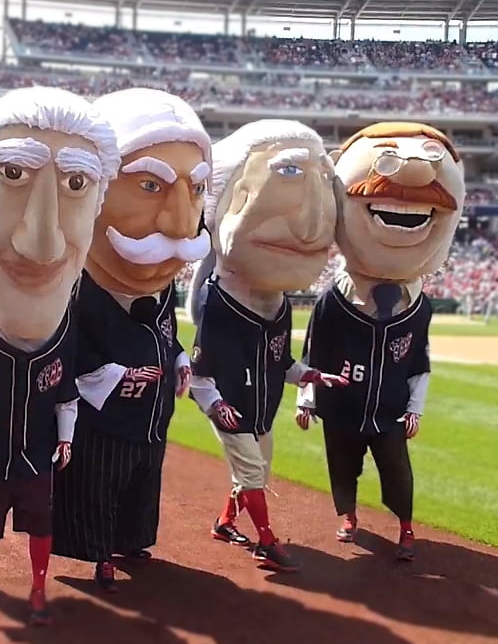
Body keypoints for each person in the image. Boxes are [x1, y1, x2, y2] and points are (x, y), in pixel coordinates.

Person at [0, 86, 120, 624]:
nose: (43, 242)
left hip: (37, 448)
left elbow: (65, 390)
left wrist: (66, 436)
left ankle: (39, 585)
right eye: (13, 175)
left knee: (41, 520)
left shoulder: (65, 319)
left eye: (76, 183)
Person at [52, 88, 210, 592]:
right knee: (97, 484)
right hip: (103, 417)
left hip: (151, 413)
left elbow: (168, 333)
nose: (184, 222)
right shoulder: (75, 290)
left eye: (198, 190)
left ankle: (132, 537)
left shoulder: (161, 290)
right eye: (148, 184)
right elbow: (69, 353)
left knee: (143, 478)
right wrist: (121, 376)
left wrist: (179, 358)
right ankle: (96, 554)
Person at [296, 122, 465, 561]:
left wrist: (415, 406)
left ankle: (406, 527)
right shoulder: (334, 299)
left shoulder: (418, 305)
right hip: (342, 403)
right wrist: (306, 400)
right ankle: (347, 516)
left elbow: (419, 361)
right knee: (342, 466)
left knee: (398, 472)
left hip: (388, 408)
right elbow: (314, 350)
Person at [187, 120, 348, 573]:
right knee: (253, 473)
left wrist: (311, 376)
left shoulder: (280, 306)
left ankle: (224, 523)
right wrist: (216, 407)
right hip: (233, 408)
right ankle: (267, 540)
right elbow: (200, 375)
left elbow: (281, 360)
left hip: (261, 407)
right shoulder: (220, 304)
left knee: (255, 473)